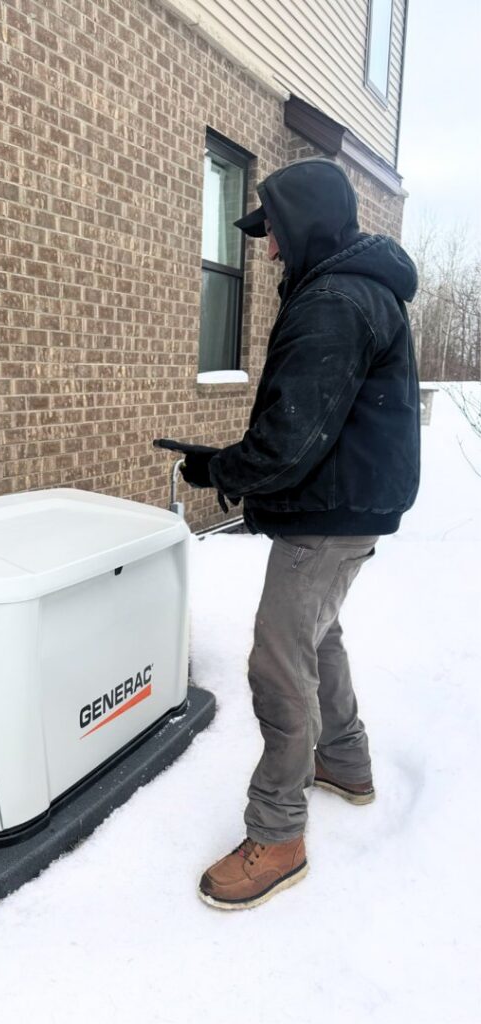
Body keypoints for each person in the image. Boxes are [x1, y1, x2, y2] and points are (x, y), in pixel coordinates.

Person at [180, 158, 420, 910]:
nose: (272, 248)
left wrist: (219, 469)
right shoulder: (354, 287)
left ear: (304, 224)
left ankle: (278, 833)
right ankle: (344, 760)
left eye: (276, 232)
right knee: (318, 636)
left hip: (329, 515)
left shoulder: (335, 301)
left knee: (279, 663)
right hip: (349, 506)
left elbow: (291, 440)